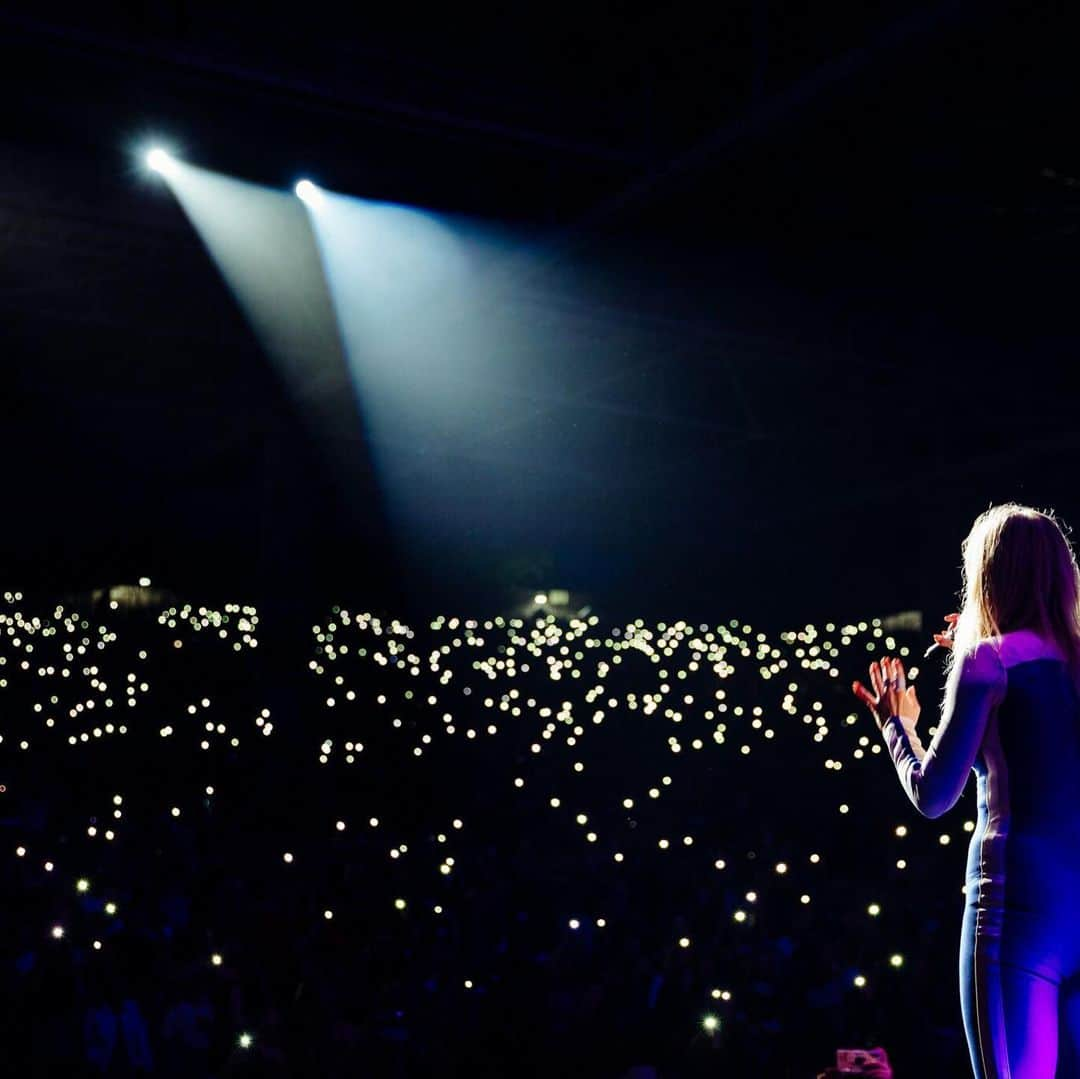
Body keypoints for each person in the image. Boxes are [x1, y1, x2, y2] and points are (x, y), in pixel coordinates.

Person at [852, 503, 1080, 1078]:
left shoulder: (986, 663)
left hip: (1018, 912)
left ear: (987, 575)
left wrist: (896, 724)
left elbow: (933, 795)